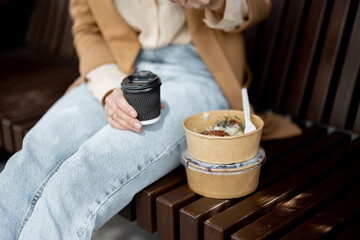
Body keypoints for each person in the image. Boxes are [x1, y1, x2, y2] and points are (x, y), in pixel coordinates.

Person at [0, 0, 300, 239]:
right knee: (36, 150)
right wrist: (108, 89)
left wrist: (217, 2)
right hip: (119, 69)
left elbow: (258, 5)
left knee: (86, 171)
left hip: (196, 72)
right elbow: (87, 29)